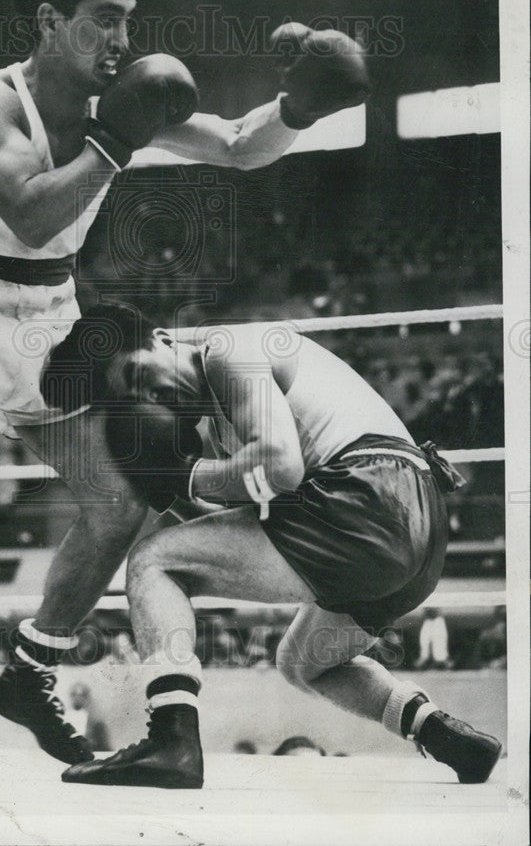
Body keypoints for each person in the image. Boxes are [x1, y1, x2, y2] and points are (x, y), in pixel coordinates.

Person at [0, 0, 369, 791]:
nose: (123, 40)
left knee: (117, 503)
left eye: (129, 19)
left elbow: (240, 147)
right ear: (51, 20)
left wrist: (299, 108)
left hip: (46, 307)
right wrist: (117, 139)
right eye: (103, 18)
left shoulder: (108, 109)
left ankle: (29, 668)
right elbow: (28, 213)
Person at [38, 304, 502, 788]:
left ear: (164, 339)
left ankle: (172, 741)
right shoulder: (223, 419)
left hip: (368, 497)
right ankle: (443, 733)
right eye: (133, 399)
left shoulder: (229, 351)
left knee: (150, 562)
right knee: (304, 663)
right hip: (417, 535)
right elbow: (234, 537)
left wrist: (187, 476)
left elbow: (281, 467)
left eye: (140, 374)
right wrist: (173, 493)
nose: (151, 397)